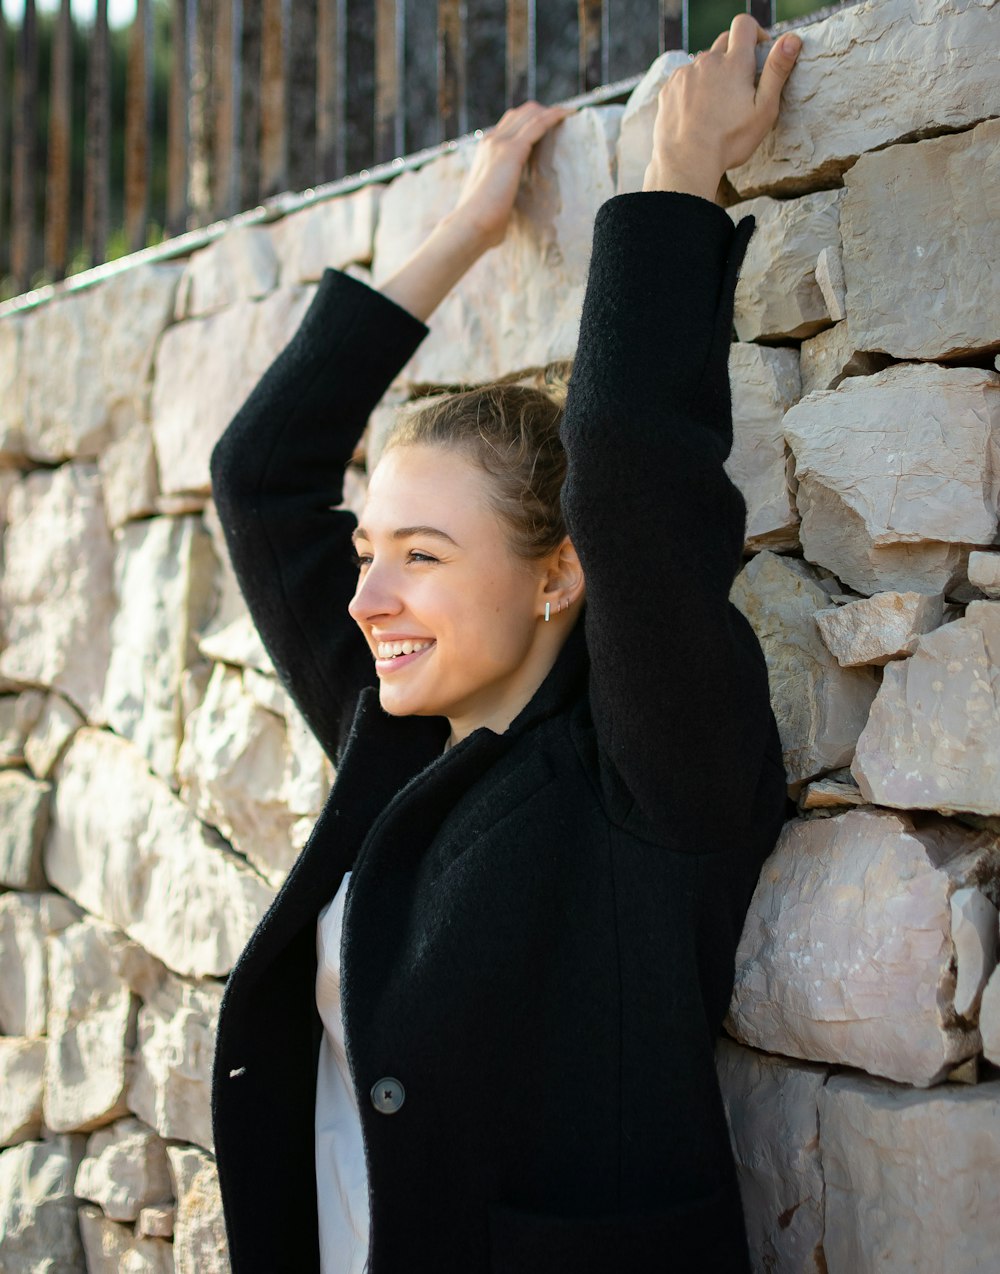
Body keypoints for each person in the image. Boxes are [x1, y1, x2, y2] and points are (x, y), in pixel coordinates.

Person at [209, 16, 802, 1273]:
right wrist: (469, 227)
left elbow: (632, 475)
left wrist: (671, 184)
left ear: (560, 574)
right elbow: (260, 477)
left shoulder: (651, 775)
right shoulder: (394, 740)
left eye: (421, 555)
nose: (369, 595)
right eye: (370, 550)